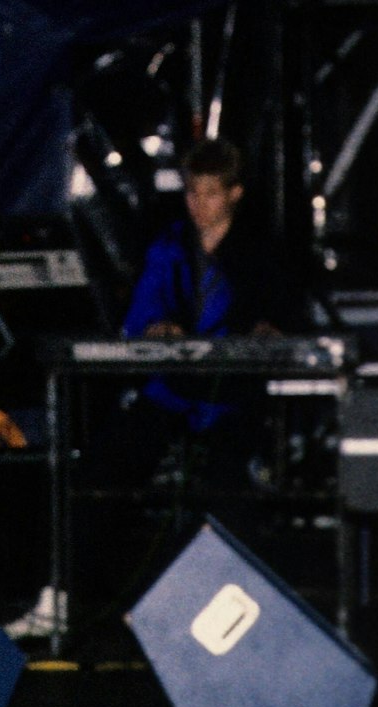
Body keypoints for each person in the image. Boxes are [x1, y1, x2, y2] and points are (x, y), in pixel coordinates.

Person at [114, 136, 300, 482]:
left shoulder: (262, 252)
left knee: (227, 474)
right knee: (116, 457)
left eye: (210, 194)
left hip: (235, 396)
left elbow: (281, 314)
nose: (198, 205)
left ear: (235, 194)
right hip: (172, 388)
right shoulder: (167, 246)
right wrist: (156, 324)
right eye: (191, 193)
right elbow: (143, 307)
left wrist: (267, 328)